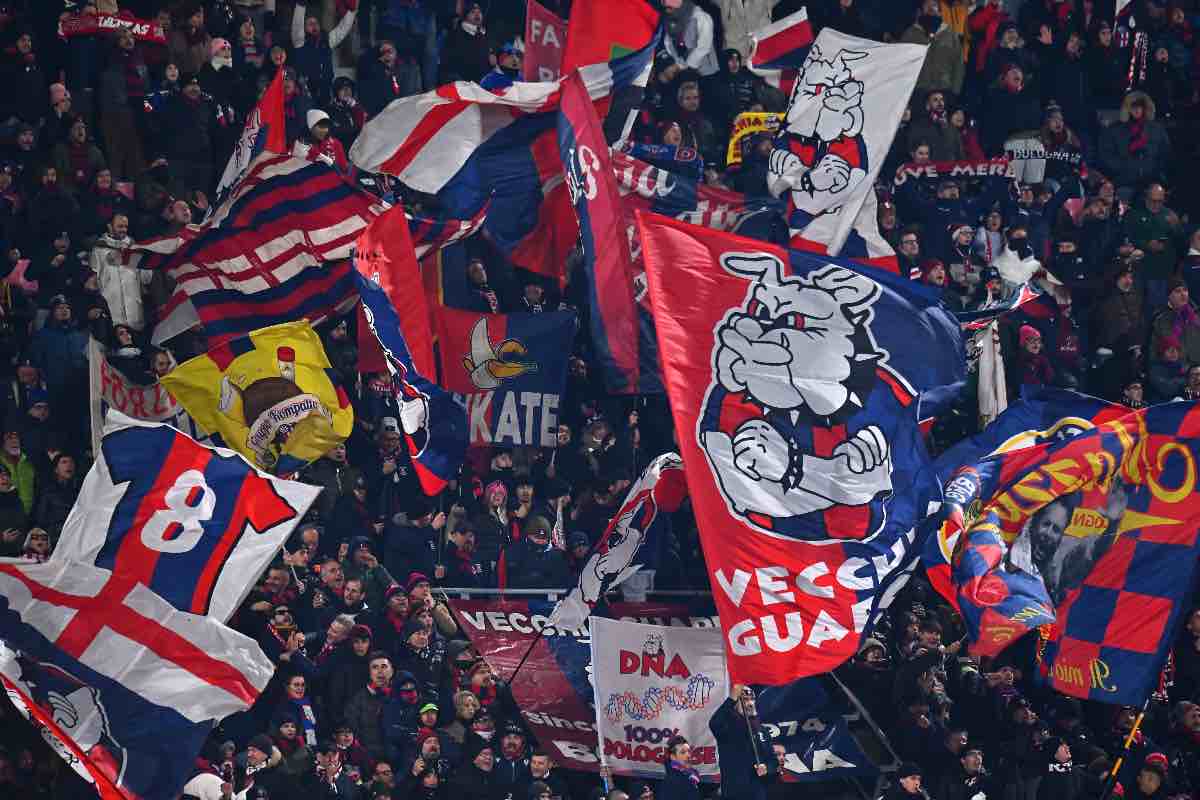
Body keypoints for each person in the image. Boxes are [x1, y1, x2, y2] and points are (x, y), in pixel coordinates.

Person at [710, 684, 775, 800]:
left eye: (752, 699)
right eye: (745, 700)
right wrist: (731, 699)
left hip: (757, 794)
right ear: (735, 705)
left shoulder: (762, 730)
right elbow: (714, 723)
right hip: (734, 794)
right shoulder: (727, 728)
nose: (750, 704)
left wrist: (767, 767)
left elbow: (773, 761)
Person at [661, 735, 701, 800]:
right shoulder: (673, 780)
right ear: (673, 757)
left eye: (688, 751)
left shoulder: (689, 775)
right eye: (683, 752)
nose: (688, 755)